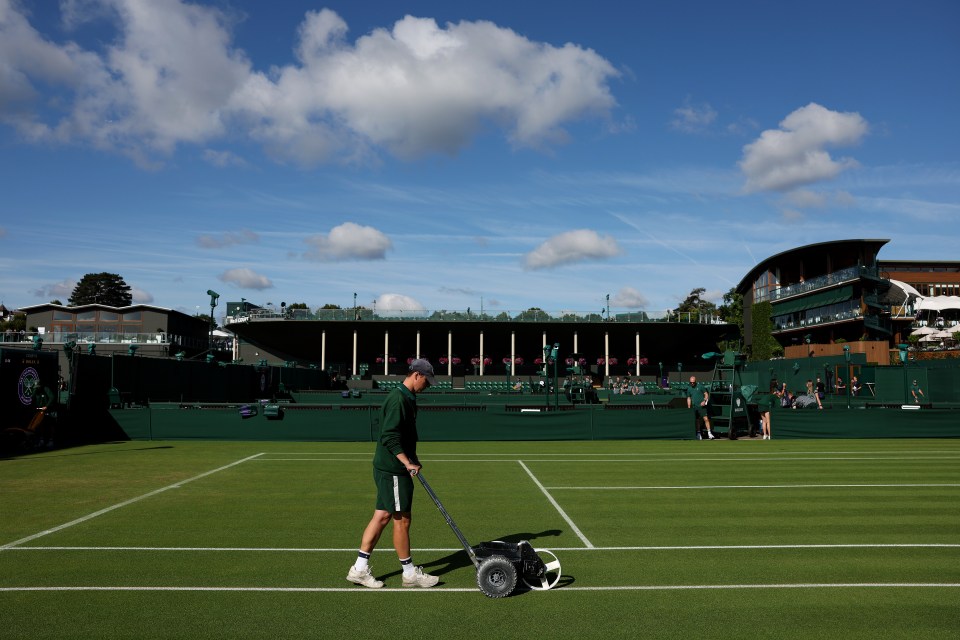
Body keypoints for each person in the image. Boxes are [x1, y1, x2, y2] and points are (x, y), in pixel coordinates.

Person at [347, 359, 440, 589]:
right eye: (426, 381)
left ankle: (358, 569)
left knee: (382, 516)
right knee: (402, 519)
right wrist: (407, 463)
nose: (427, 386)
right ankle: (409, 573)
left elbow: (406, 434)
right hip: (393, 469)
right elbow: (389, 436)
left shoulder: (407, 397)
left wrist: (413, 459)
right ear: (417, 375)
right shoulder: (399, 399)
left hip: (391, 468)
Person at [685, 375, 714, 439]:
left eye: (693, 382)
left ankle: (709, 433)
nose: (692, 383)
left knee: (706, 419)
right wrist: (689, 406)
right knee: (697, 420)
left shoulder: (700, 387)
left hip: (702, 406)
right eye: (691, 382)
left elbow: (706, 394)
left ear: (695, 381)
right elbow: (688, 398)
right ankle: (698, 434)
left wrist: (704, 400)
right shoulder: (689, 389)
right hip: (695, 407)